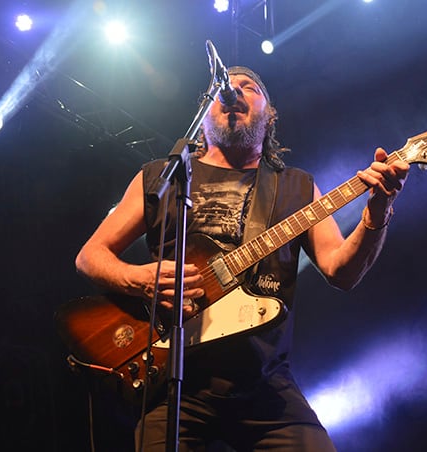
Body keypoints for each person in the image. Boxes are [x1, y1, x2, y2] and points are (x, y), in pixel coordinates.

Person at [75, 66, 409, 451]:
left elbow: (341, 270)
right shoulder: (159, 178)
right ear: (204, 115)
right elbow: (90, 257)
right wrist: (141, 279)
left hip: (266, 387)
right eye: (225, 88)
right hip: (175, 387)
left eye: (249, 88)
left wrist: (377, 212)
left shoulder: (296, 186)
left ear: (269, 115)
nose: (234, 92)